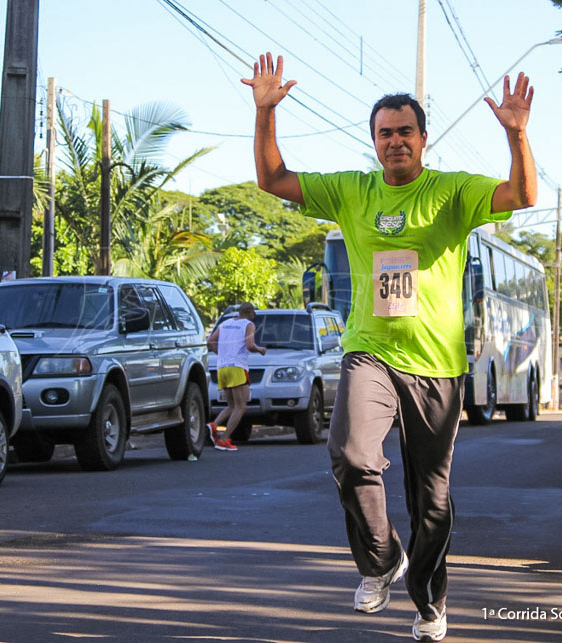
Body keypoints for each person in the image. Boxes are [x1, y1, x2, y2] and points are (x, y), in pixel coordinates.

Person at [242, 52, 536, 641]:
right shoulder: (351, 191)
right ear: (373, 142)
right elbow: (273, 180)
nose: (395, 141)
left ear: (423, 139)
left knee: (431, 498)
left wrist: (517, 136)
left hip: (438, 364)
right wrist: (265, 115)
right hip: (369, 351)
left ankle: (430, 603)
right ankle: (380, 561)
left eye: (405, 131)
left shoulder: (453, 192)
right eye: (384, 133)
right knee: (352, 454)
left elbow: (522, 195)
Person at [206, 302, 267, 451]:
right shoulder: (248, 324)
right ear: (250, 313)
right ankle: (224, 438)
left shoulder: (225, 323)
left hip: (222, 367)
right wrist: (261, 350)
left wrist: (220, 354)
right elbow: (250, 345)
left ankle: (213, 425)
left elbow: (210, 341)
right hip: (238, 367)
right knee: (241, 406)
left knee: (231, 405)